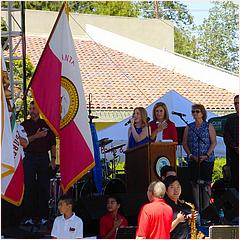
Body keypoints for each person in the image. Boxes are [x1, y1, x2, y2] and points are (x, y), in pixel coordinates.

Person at [21, 101, 56, 225]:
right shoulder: (23, 125)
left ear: (39, 110)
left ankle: (44, 217)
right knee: (29, 186)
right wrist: (37, 136)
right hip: (29, 157)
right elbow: (22, 141)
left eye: (34, 108)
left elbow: (53, 143)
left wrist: (53, 159)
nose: (31, 110)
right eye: (30, 108)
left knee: (43, 187)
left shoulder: (46, 124)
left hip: (43, 158)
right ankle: (28, 217)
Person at [182, 104, 217, 211]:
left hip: (207, 159)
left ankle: (207, 209)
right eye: (193, 112)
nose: (195, 114)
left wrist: (206, 155)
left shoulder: (208, 126)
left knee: (206, 184)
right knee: (194, 183)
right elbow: (185, 143)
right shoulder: (189, 126)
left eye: (197, 111)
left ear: (202, 113)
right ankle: (198, 208)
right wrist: (191, 155)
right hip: (193, 159)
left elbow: (213, 142)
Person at [223, 95, 239, 190]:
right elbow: (227, 137)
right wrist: (236, 147)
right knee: (236, 181)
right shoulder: (231, 120)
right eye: (235, 103)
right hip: (235, 156)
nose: (237, 105)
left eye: (238, 103)